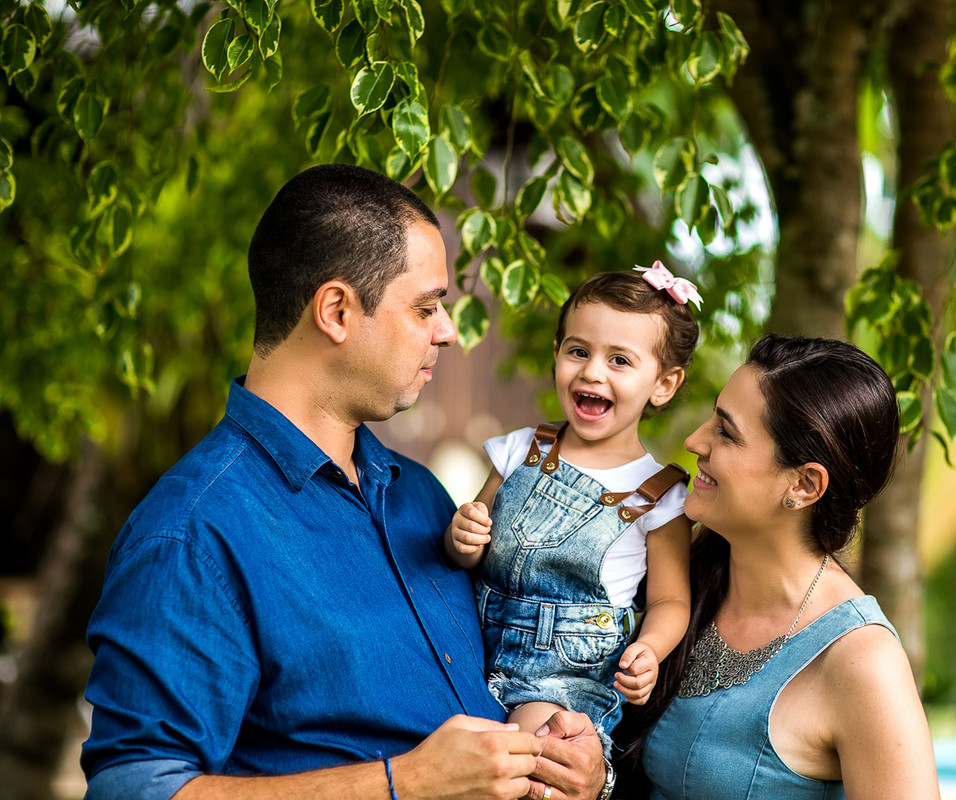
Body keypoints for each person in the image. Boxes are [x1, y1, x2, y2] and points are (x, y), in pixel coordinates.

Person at [80, 164, 607, 800]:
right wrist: (404, 783)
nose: (446, 330)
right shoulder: (193, 533)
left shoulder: (424, 499)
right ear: (335, 310)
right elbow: (133, 789)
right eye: (424, 307)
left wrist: (566, 761)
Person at [614, 334, 941, 799]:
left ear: (804, 485)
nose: (694, 441)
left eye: (726, 433)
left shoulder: (862, 664)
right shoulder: (675, 577)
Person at [444, 265, 700, 751]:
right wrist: (463, 536)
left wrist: (649, 650)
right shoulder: (522, 449)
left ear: (663, 384)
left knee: (531, 747)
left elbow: (670, 600)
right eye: (578, 351)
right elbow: (468, 557)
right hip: (470, 646)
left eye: (620, 360)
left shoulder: (659, 494)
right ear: (557, 355)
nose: (592, 371)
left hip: (566, 681)